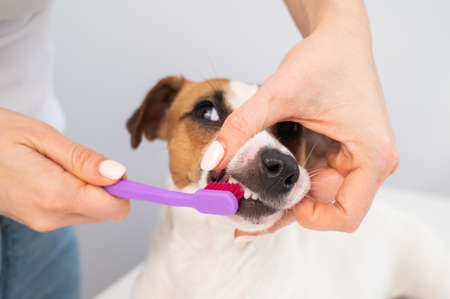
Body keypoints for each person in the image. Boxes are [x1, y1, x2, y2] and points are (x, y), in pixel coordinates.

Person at [0, 0, 397, 298]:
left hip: (34, 214)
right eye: (208, 112)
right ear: (156, 123)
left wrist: (345, 37)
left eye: (285, 130)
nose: (270, 153)